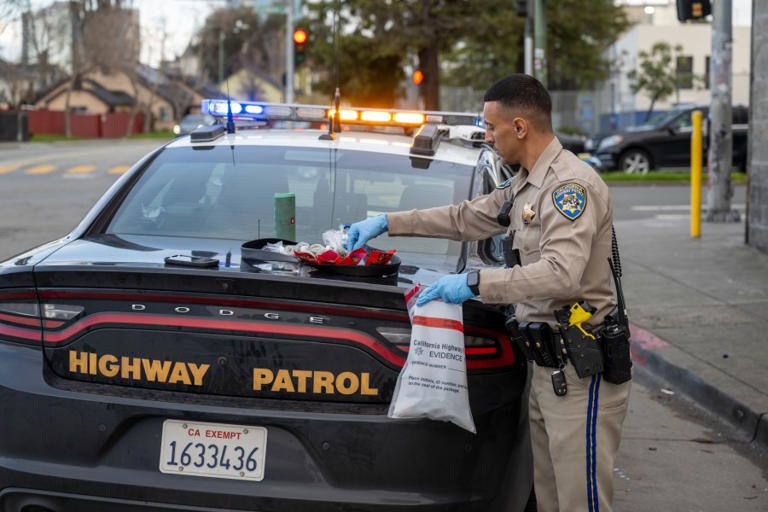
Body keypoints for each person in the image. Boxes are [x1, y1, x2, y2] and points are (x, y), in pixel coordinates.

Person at [345, 74, 631, 512]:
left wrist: (475, 283)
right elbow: (465, 218)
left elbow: (562, 275)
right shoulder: (526, 183)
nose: (488, 136)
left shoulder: (569, 187)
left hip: (580, 370)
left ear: (520, 127)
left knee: (581, 502)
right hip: (547, 369)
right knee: (551, 500)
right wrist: (387, 222)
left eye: (492, 127)